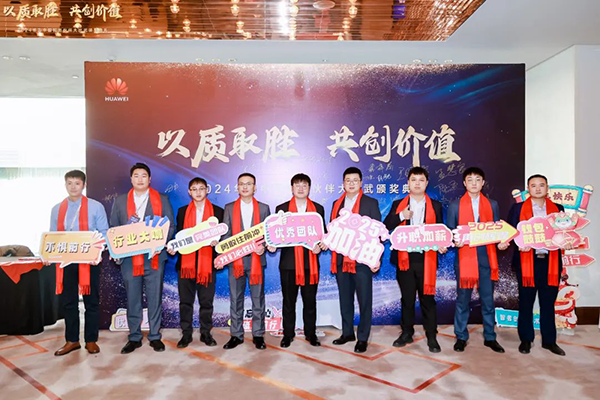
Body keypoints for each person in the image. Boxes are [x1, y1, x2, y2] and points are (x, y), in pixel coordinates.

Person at [110, 163, 175, 354]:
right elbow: (114, 228)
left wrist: (159, 243)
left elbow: (170, 226)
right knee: (133, 299)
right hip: (129, 259)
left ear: (149, 179)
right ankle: (134, 337)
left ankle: (155, 336)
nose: (140, 179)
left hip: (154, 257)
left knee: (155, 298)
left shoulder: (161, 199)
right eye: (136, 175)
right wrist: (116, 251)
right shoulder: (120, 201)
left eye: (144, 175)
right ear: (131, 179)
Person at [383, 167, 445, 353]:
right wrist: (402, 216)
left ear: (426, 183)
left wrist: (441, 244)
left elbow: (441, 230)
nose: (417, 184)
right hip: (405, 259)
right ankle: (406, 333)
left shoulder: (436, 206)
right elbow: (386, 226)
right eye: (413, 180)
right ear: (408, 183)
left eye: (421, 180)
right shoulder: (398, 204)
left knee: (428, 299)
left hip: (427, 259)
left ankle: (431, 336)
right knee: (407, 299)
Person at [507, 174, 569, 356]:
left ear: (547, 188)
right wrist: (519, 243)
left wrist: (566, 242)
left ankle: (549, 341)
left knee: (548, 304)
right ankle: (526, 340)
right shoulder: (518, 208)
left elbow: (563, 232)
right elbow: (511, 231)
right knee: (526, 303)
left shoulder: (558, 209)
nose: (538, 188)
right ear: (528, 189)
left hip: (550, 262)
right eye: (533, 185)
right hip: (527, 261)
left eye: (541, 185)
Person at [50, 170, 109, 356]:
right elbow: (52, 236)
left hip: (89, 261)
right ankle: (72, 340)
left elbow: (105, 233)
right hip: (66, 262)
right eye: (69, 183)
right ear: (65, 185)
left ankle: (91, 340)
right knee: (69, 302)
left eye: (77, 183)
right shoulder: (57, 209)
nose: (73, 187)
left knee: (91, 302)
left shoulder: (96, 207)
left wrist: (96, 249)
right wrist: (47, 253)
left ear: (84, 185)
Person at [447, 167, 505, 353]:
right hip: (465, 259)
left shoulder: (492, 204)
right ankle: (461, 336)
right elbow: (449, 232)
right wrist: (454, 240)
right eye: (470, 180)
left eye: (477, 179)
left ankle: (490, 337)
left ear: (483, 183)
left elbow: (497, 230)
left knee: (488, 301)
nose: (474, 183)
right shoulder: (455, 205)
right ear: (464, 183)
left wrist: (502, 241)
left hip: (486, 258)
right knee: (463, 300)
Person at [324, 167, 381, 354]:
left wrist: (376, 258)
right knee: (345, 299)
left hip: (362, 260)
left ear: (361, 183)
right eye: (348, 180)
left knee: (365, 301)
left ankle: (362, 338)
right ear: (343, 183)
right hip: (341, 259)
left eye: (355, 180)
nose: (351, 184)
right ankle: (347, 332)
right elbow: (332, 230)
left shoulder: (370, 203)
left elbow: (377, 232)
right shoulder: (337, 204)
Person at [168, 177, 223, 348]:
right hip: (186, 265)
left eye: (201, 188)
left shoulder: (218, 212)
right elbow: (179, 236)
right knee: (185, 302)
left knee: (206, 302)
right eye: (194, 189)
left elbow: (223, 238)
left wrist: (217, 243)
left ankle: (206, 333)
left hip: (207, 264)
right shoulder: (182, 211)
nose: (198, 192)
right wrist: (173, 247)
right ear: (189, 192)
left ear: (207, 190)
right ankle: (186, 334)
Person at [218, 173, 271, 350]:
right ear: (237, 187)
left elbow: (269, 234)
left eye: (249, 184)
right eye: (242, 184)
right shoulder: (229, 208)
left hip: (256, 260)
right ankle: (236, 335)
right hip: (236, 262)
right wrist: (223, 253)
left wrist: (264, 246)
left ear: (254, 187)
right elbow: (226, 236)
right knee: (235, 299)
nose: (245, 187)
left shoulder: (263, 208)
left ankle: (258, 335)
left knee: (258, 299)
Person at [275, 173, 325, 348]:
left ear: (309, 188)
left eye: (304, 185)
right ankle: (288, 334)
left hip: (310, 263)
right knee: (289, 301)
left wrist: (321, 245)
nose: (301, 188)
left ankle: (311, 334)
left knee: (310, 301)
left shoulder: (318, 209)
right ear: (292, 188)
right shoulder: (281, 209)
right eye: (297, 185)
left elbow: (322, 234)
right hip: (289, 264)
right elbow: (276, 234)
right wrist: (272, 244)